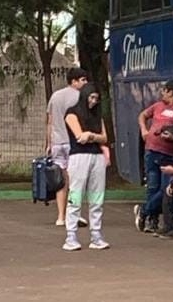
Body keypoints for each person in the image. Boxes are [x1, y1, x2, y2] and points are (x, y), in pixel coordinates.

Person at [134, 79, 173, 233]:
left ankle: (144, 210)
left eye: (164, 90)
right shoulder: (157, 106)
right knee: (152, 186)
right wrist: (144, 130)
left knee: (165, 188)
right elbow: (142, 115)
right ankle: (151, 220)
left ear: (171, 92)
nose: (162, 93)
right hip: (151, 150)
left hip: (170, 154)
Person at [62, 83, 109, 251]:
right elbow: (79, 136)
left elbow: (104, 138)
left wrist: (92, 136)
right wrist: (91, 136)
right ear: (85, 96)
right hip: (79, 157)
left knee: (97, 197)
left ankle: (96, 234)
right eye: (91, 97)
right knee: (76, 195)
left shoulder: (97, 116)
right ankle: (71, 235)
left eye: (96, 98)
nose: (94, 101)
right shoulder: (72, 112)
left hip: (97, 157)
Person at [46, 67, 89, 226]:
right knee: (75, 180)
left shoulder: (55, 96)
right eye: (83, 80)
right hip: (74, 143)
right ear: (74, 81)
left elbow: (50, 122)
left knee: (61, 180)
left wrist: (49, 144)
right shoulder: (81, 97)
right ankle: (74, 214)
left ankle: (61, 217)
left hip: (57, 143)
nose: (86, 83)